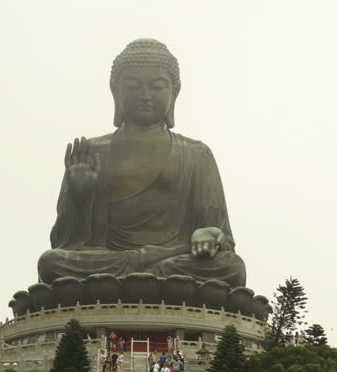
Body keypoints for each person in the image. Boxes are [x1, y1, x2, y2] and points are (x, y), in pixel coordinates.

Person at [36, 39, 247, 288]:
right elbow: (65, 243)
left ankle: (139, 278)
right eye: (133, 87)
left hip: (173, 260)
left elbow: (220, 236)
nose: (145, 96)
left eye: (157, 86)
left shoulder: (197, 154)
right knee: (51, 263)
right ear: (115, 90)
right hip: (110, 262)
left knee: (231, 267)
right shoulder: (91, 152)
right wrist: (81, 197)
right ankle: (143, 278)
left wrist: (211, 234)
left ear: (174, 92)